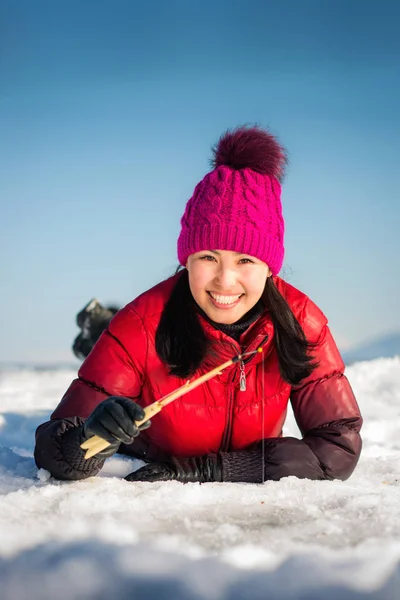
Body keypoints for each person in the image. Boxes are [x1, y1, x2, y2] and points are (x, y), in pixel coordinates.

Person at [34, 126, 362, 483]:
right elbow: (56, 449)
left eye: (245, 261)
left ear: (270, 269)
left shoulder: (301, 321)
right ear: (186, 260)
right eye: (208, 256)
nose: (225, 279)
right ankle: (99, 334)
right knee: (118, 355)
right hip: (147, 421)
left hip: (203, 466)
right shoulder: (141, 324)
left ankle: (97, 332)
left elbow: (338, 447)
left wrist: (210, 470)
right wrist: (88, 438)